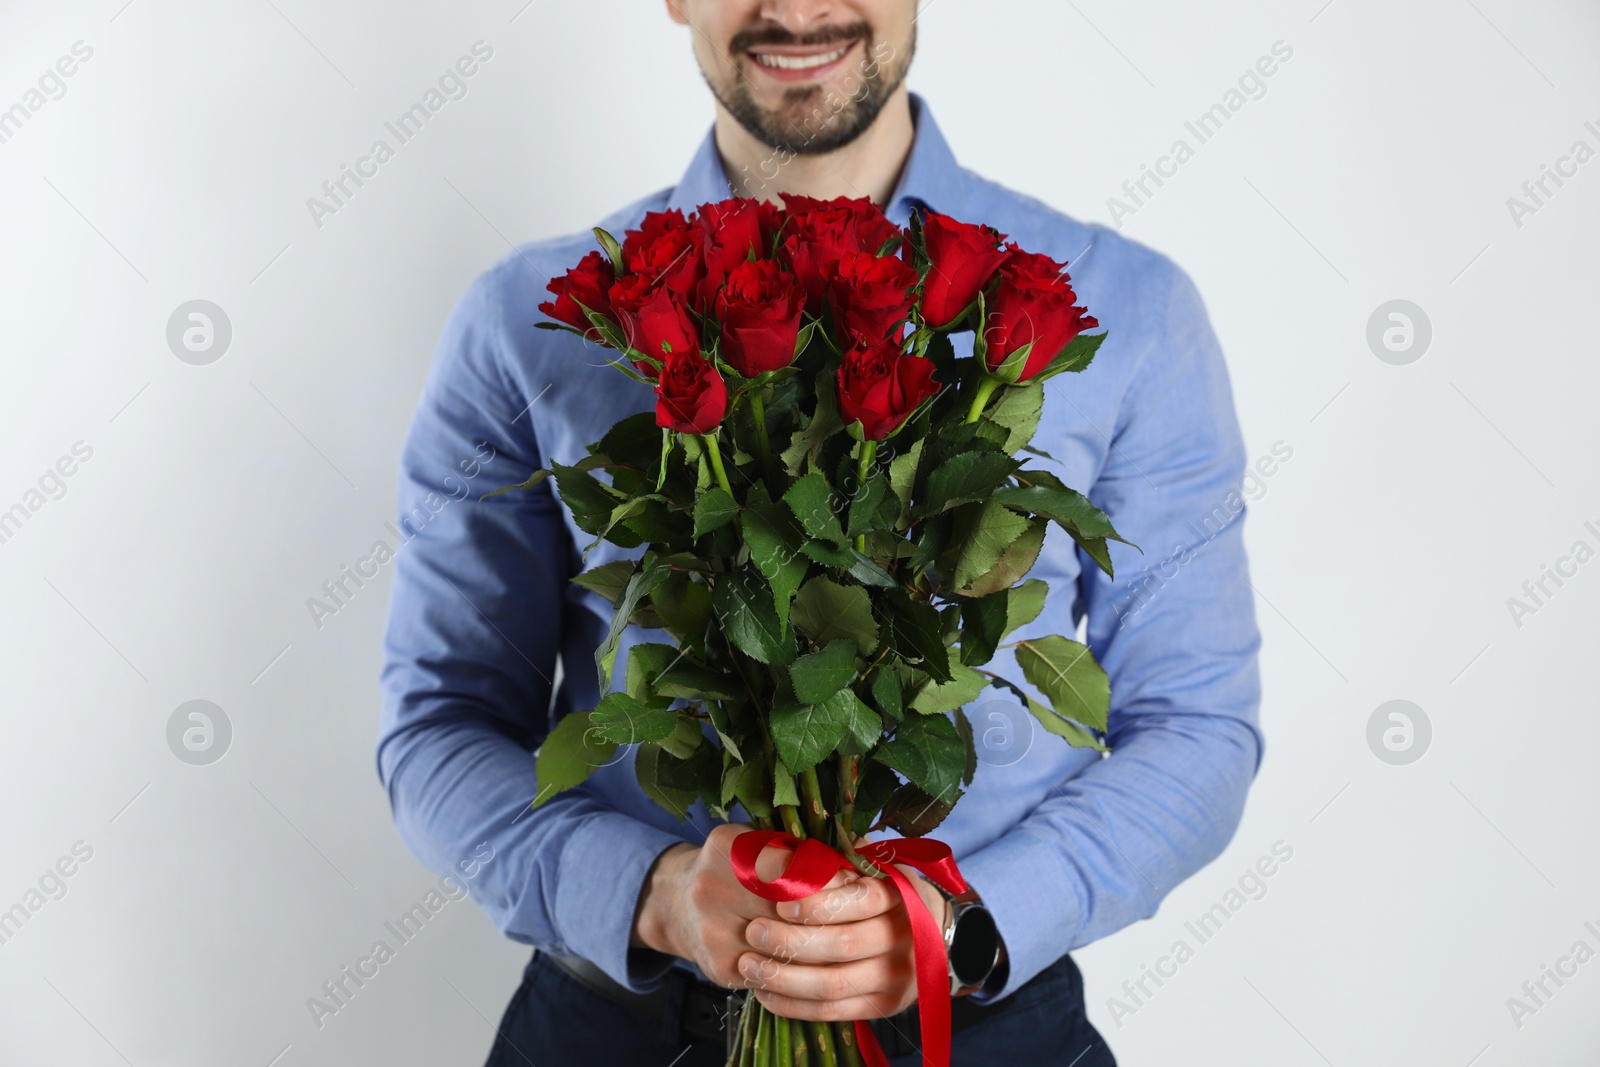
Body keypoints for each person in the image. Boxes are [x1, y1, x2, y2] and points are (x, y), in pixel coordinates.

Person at [377, 2, 1263, 1064]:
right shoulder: (527, 319)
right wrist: (648, 893)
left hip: (981, 1024)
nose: (796, 8)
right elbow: (440, 722)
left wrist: (963, 918)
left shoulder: (1127, 310)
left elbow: (1196, 725)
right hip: (616, 1030)